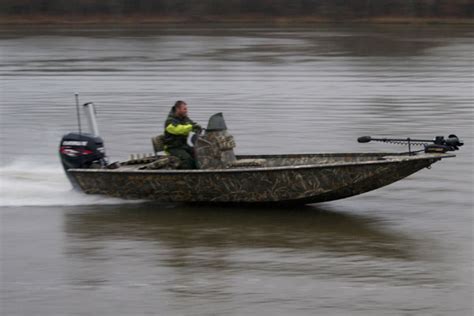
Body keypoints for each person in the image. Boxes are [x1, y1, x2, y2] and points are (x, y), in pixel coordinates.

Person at [163, 100, 201, 169]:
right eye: (184, 109)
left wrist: (198, 128)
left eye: (186, 109)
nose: (186, 111)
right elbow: (178, 129)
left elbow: (192, 124)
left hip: (183, 146)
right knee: (187, 159)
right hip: (172, 147)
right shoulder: (170, 121)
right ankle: (184, 175)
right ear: (178, 109)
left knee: (198, 154)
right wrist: (191, 127)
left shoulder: (184, 118)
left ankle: (200, 173)